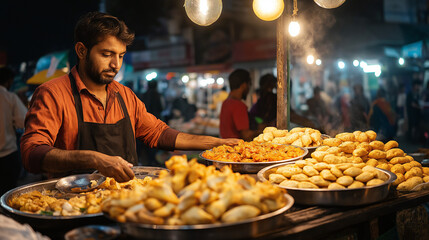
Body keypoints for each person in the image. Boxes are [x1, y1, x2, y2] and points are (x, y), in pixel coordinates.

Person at [20, 12, 239, 183]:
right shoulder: (52, 93)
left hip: (126, 200)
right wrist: (93, 158)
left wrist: (217, 144)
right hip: (74, 206)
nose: (115, 65)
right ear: (81, 50)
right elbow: (32, 154)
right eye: (106, 54)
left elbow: (159, 134)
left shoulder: (124, 95)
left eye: (121, 56)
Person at [0, 67, 28, 195]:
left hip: (8, 156)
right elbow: (23, 121)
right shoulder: (10, 97)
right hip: (7, 156)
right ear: (9, 81)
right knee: (7, 195)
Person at [220, 69, 258, 141]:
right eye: (249, 84)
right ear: (244, 85)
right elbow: (246, 135)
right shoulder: (238, 105)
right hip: (235, 148)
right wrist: (262, 131)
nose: (249, 89)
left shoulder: (226, 102)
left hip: (226, 146)